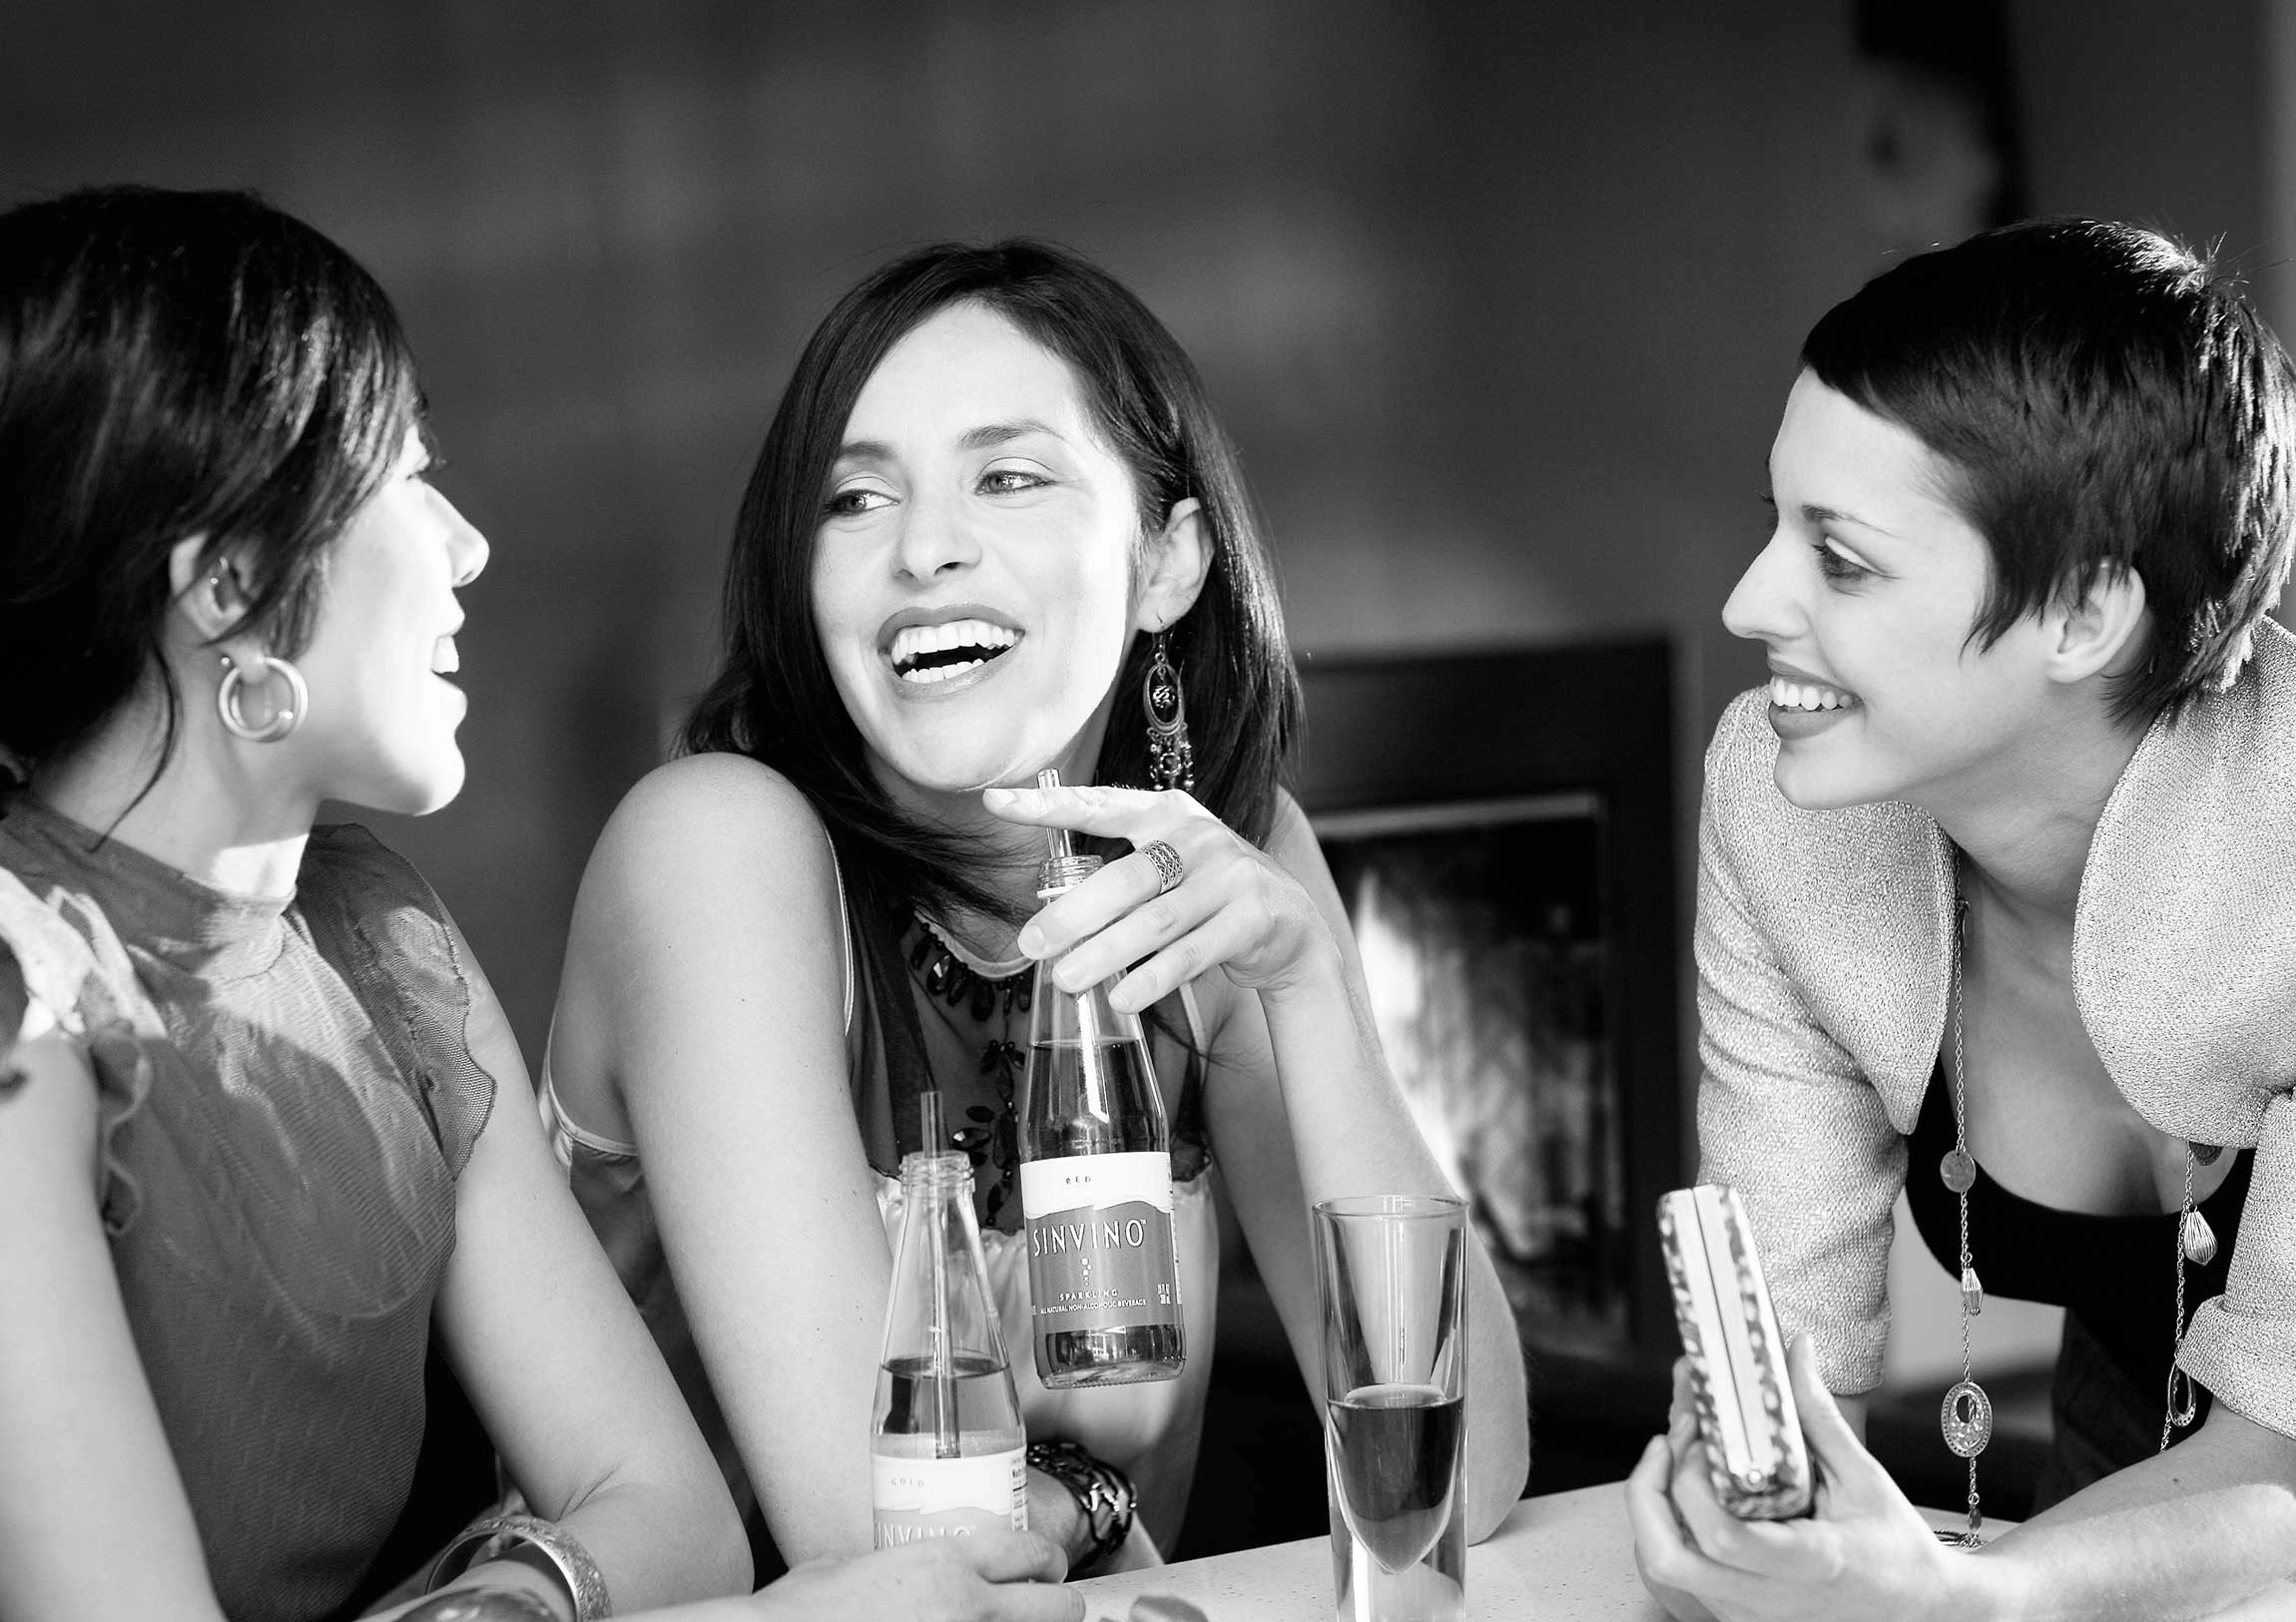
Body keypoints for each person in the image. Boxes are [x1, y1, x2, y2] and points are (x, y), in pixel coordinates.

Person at [0, 185, 1081, 1622]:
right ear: (231, 585)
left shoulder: (375, 937)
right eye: (407, 476)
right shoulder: (21, 997)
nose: (465, 548)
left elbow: (674, 1524)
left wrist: (507, 1604)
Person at [542, 239, 1530, 1577]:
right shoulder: (712, 851)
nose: (924, 549)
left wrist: (1312, 995)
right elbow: (895, 1556)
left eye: (1007, 477)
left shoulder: (1224, 865)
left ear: (1168, 563)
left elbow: (1457, 1481)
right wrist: (1095, 1504)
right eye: (854, 499)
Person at [1627, 218, 2296, 1618]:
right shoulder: (1783, 809)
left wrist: (1964, 1600)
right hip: (2142, 1471)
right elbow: (1779, 1382)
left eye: (1843, 559)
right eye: (1774, 523)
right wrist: (1752, 1528)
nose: (1747, 603)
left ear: (2084, 611)